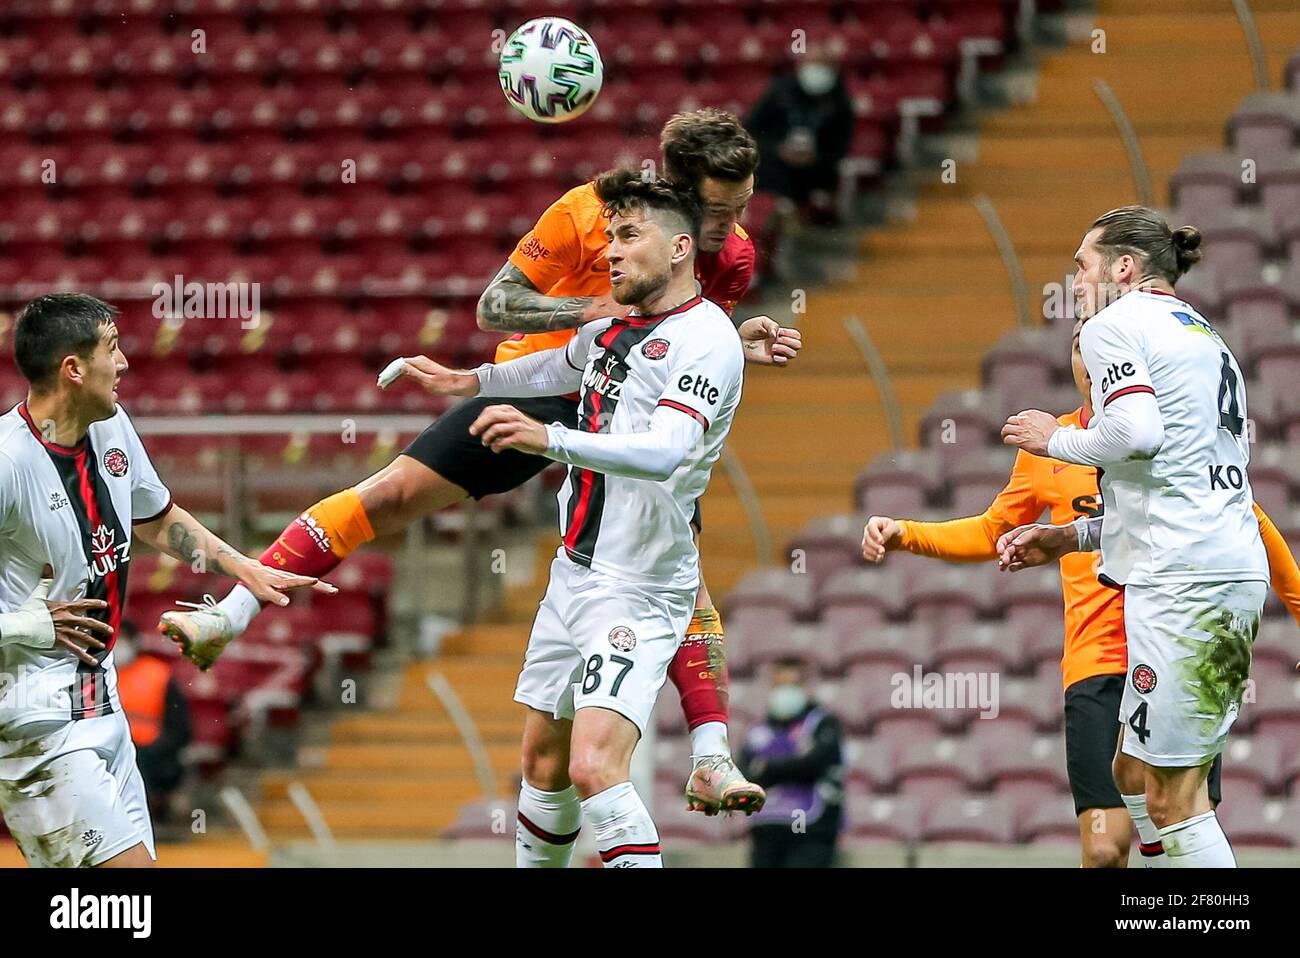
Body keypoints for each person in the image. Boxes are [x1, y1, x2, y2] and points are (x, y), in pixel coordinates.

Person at [160, 109, 802, 816]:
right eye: (719, 209)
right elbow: (496, 305)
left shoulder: (731, 255)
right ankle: (230, 612)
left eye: (741, 208)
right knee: (387, 495)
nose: (733, 227)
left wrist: (733, 339)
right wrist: (593, 307)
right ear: (674, 189)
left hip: (628, 417)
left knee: (679, 580)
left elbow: (678, 340)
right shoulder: (583, 213)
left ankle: (710, 758)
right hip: (534, 388)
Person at [386, 170, 744, 867]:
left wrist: (546, 439)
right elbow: (554, 368)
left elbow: (669, 450)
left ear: (678, 247)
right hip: (575, 570)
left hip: (639, 584)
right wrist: (471, 382)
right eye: (608, 235)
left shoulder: (708, 339)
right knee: (543, 767)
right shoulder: (616, 326)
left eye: (628, 235)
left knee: (594, 768)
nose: (610, 251)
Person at [863, 317, 1300, 866]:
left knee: (1177, 818)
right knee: (1104, 847)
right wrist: (906, 533)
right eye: (1076, 346)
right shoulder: (1051, 447)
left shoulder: (1172, 438)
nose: (1087, 357)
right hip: (1099, 660)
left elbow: (1253, 523)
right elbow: (990, 530)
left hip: (1174, 640)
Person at [0, 293, 328, 867]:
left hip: (102, 705)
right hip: (33, 719)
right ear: (73, 370)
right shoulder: (7, 462)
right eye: (113, 348)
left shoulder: (112, 428)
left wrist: (243, 569)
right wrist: (28, 622)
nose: (125, 363)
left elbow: (158, 519)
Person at [998, 207, 1268, 867]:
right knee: (1129, 774)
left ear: (1123, 267)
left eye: (1083, 265)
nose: (1078, 280)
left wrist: (1052, 438)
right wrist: (1068, 540)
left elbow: (1137, 435)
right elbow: (1168, 477)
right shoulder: (1200, 332)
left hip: (1186, 584)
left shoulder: (1114, 324)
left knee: (1175, 798)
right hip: (1210, 567)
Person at [738, 657, 844, 868]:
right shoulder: (758, 730)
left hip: (810, 829)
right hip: (766, 830)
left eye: (792, 685)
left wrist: (768, 767)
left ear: (805, 687)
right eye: (780, 686)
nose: (785, 692)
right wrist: (793, 765)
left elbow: (814, 763)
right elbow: (744, 773)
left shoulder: (822, 724)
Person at [746, 43, 854, 222]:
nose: (816, 70)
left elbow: (841, 146)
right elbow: (753, 131)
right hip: (774, 171)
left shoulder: (840, 103)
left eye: (822, 64)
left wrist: (816, 157)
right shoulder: (779, 93)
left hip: (816, 174)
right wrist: (778, 148)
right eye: (811, 63)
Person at [113, 620, 191, 823]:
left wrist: (153, 749)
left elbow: (179, 728)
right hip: (108, 749)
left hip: (151, 755)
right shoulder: (96, 676)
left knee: (136, 763)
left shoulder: (158, 675)